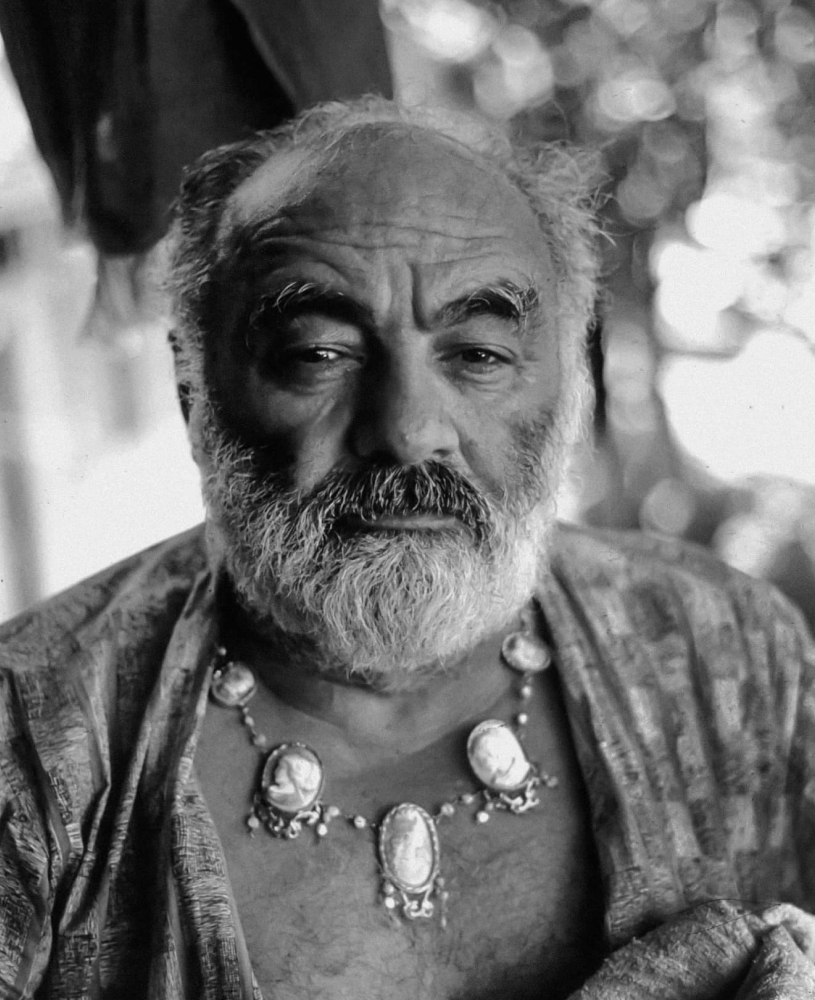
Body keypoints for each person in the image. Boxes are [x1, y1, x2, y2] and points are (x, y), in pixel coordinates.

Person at [0, 96, 814, 1000]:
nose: (406, 430)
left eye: (478, 354)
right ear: (194, 393)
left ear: (570, 388)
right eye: (320, 353)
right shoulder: (28, 739)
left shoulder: (730, 655)